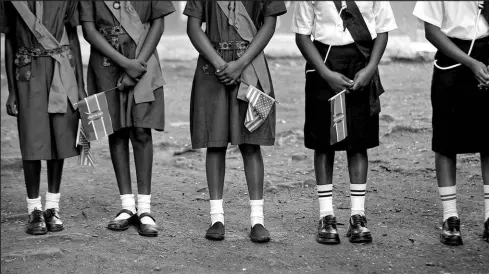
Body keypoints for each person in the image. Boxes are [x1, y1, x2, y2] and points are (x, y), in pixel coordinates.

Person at [413, 1, 489, 246]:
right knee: (446, 142)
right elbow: (432, 30)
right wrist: (470, 63)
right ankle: (450, 217)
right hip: (453, 61)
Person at [292, 1, 397, 244]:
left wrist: (371, 68)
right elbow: (302, 35)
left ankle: (357, 216)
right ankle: (326, 216)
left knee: (358, 142)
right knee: (323, 142)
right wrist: (325, 73)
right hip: (323, 63)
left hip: (361, 61)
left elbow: (382, 30)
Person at [184, 1, 287, 242]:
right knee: (215, 141)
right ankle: (216, 217)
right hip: (213, 68)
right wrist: (220, 64)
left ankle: (257, 220)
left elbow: (269, 23)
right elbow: (193, 26)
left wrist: (240, 64)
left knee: (251, 143)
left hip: (250, 65)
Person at [80, 0, 175, 237]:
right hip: (106, 62)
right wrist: (124, 64)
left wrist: (137, 66)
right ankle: (126, 206)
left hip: (143, 59)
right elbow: (89, 31)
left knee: (142, 130)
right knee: (117, 130)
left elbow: (157, 24)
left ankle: (144, 209)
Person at [1, 1, 86, 235]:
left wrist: (80, 85)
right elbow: (9, 41)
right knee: (32, 141)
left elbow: (73, 37)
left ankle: (52, 207)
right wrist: (11, 90)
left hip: (61, 71)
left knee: (59, 139)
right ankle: (34, 209)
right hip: (27, 74)